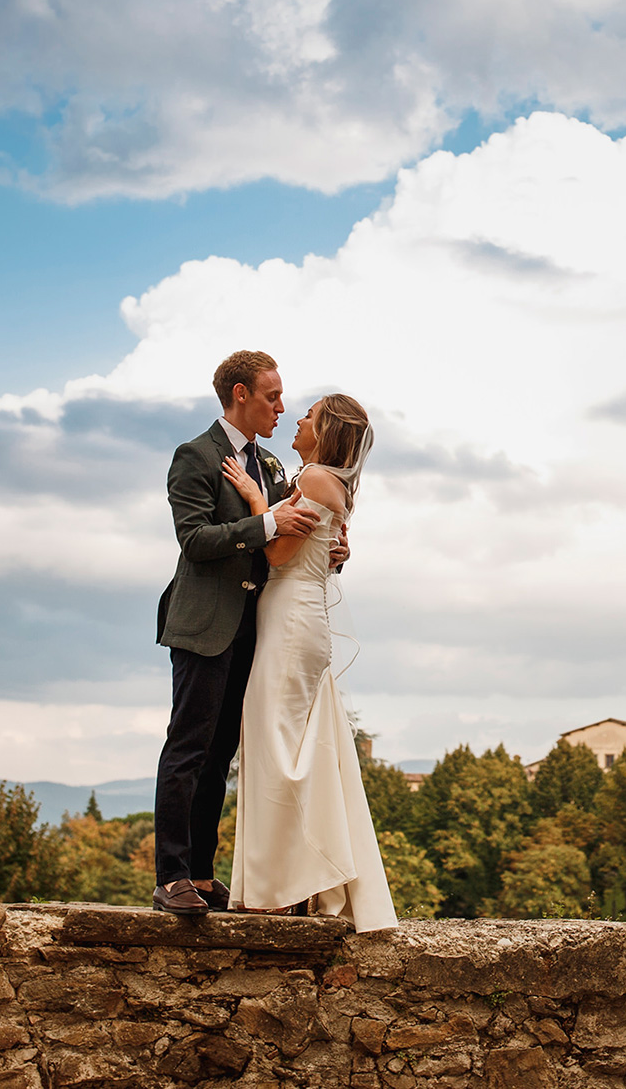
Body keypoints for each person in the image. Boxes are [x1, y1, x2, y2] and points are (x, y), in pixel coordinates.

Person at [151, 351, 331, 916]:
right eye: (272, 396)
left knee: (221, 753)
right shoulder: (195, 456)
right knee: (188, 747)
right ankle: (170, 878)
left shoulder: (274, 467)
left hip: (255, 630)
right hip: (204, 623)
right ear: (239, 395)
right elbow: (196, 540)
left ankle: (202, 877)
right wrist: (269, 520)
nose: (281, 406)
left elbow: (282, 547)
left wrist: (330, 550)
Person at [220, 392, 397, 930]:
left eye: (308, 415)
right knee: (288, 748)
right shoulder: (315, 480)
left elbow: (277, 554)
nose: (296, 418)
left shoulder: (317, 481)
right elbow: (320, 547)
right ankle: (289, 882)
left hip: (292, 619)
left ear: (325, 431)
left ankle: (283, 888)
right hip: (291, 615)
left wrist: (255, 500)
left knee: (277, 748)